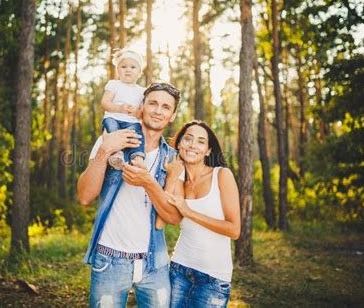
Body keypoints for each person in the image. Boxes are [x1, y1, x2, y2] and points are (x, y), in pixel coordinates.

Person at [77, 82, 183, 308]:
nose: (157, 110)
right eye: (152, 103)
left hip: (155, 264)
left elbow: (173, 217)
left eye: (165, 107)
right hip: (109, 259)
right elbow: (85, 197)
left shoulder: (174, 159)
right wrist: (105, 150)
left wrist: (148, 182)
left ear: (172, 115)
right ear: (141, 106)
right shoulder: (113, 140)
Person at [164, 120, 241, 308]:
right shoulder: (179, 181)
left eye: (200, 141)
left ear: (208, 150)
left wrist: (189, 212)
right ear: (179, 144)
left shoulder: (222, 175)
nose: (192, 145)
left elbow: (234, 230)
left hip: (213, 278)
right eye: (188, 139)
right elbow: (165, 216)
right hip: (179, 269)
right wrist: (172, 176)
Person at [101, 49, 146, 170]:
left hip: (131, 121)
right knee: (112, 127)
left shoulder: (142, 91)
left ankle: (137, 157)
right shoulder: (114, 84)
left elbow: (142, 113)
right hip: (113, 118)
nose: (128, 69)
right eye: (123, 66)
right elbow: (104, 103)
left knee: (136, 134)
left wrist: (135, 112)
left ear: (139, 72)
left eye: (133, 67)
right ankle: (117, 153)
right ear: (117, 70)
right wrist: (119, 108)